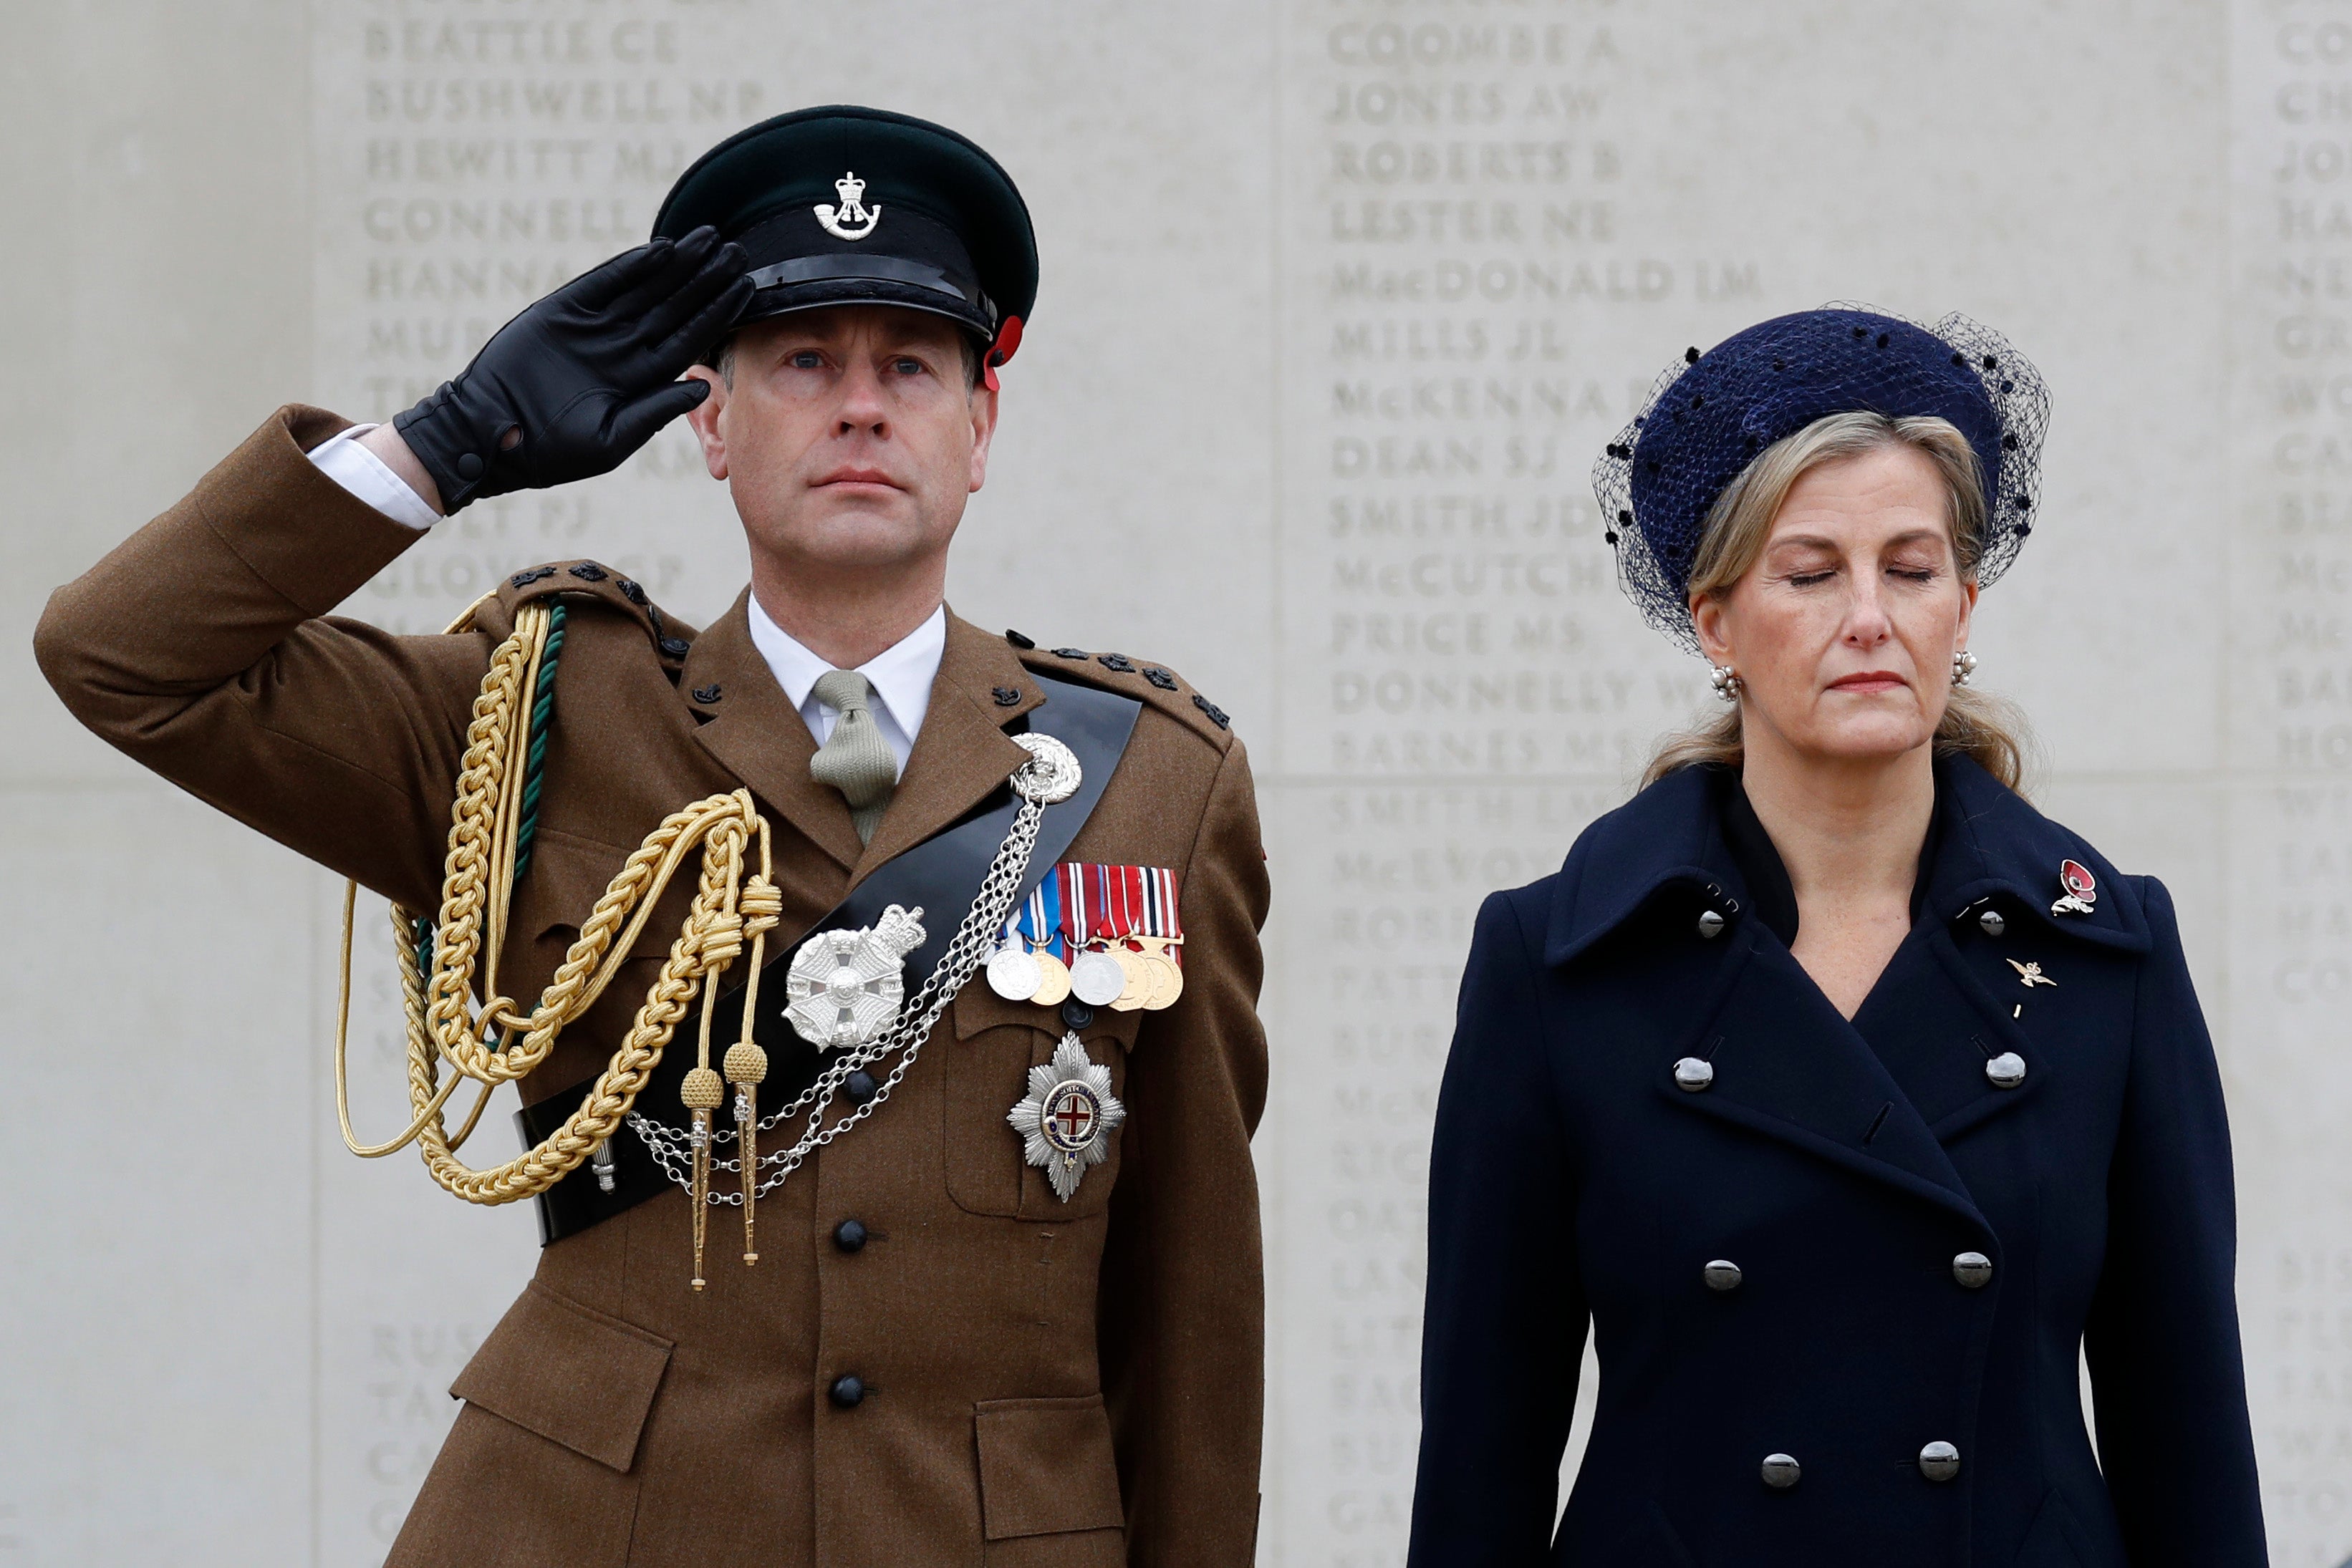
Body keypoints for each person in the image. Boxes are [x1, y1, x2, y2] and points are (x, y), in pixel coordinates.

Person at [36, 105, 1268, 1567]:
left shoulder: (1152, 784)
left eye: (911, 368)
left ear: (980, 429)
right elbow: (120, 657)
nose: (860, 407)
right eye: (804, 363)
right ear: (709, 422)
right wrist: (442, 450)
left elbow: (1189, 1301)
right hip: (590, 1526)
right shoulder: (532, 713)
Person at [1407, 309, 2265, 1564]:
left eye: (1911, 570)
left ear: (1963, 608)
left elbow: (2187, 1434)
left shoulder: (2106, 949)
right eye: (1811, 573)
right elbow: (1482, 1455)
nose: (1869, 616)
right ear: (1715, 622)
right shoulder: (1558, 962)